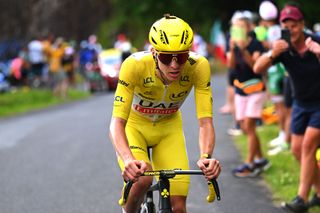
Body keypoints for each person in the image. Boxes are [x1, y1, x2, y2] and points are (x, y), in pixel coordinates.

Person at [109, 14, 221, 213]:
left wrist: (206, 156)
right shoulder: (134, 65)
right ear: (153, 52)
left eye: (182, 57)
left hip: (168, 130)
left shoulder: (199, 67)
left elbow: (205, 122)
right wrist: (128, 159)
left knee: (178, 207)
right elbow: (116, 123)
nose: (175, 65)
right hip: (134, 127)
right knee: (143, 179)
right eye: (167, 57)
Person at [253, 4, 320, 212]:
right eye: (287, 26)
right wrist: (273, 53)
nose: (291, 30)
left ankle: (301, 198)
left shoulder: (316, 42)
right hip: (301, 104)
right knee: (297, 150)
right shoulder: (281, 47)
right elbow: (257, 68)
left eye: (294, 25)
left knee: (308, 145)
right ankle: (319, 191)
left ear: (302, 25)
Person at [227, 12, 270, 178]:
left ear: (248, 28)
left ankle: (249, 164)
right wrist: (232, 48)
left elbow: (256, 67)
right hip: (240, 89)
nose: (237, 29)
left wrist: (244, 49)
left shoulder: (256, 44)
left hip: (256, 89)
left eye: (240, 26)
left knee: (250, 125)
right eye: (235, 27)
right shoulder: (232, 44)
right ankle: (261, 159)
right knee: (245, 127)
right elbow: (231, 67)